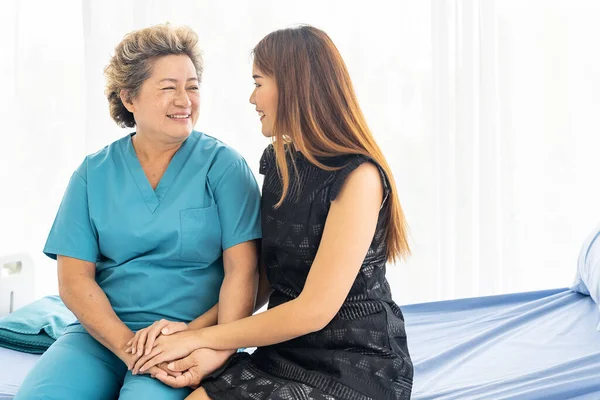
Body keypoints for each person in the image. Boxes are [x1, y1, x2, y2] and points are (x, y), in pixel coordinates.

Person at [130, 25, 414, 400]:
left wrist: (204, 339)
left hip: (355, 362)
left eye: (259, 82)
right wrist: (186, 333)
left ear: (294, 87)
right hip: (285, 350)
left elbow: (313, 310)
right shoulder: (280, 164)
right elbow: (266, 278)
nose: (252, 98)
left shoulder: (359, 176)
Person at [15, 24, 261, 400]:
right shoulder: (92, 173)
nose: (185, 100)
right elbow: (74, 279)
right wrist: (131, 347)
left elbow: (243, 273)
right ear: (129, 98)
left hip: (191, 335)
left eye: (192, 86)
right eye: (168, 88)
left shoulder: (224, 167)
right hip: (101, 334)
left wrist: (202, 340)